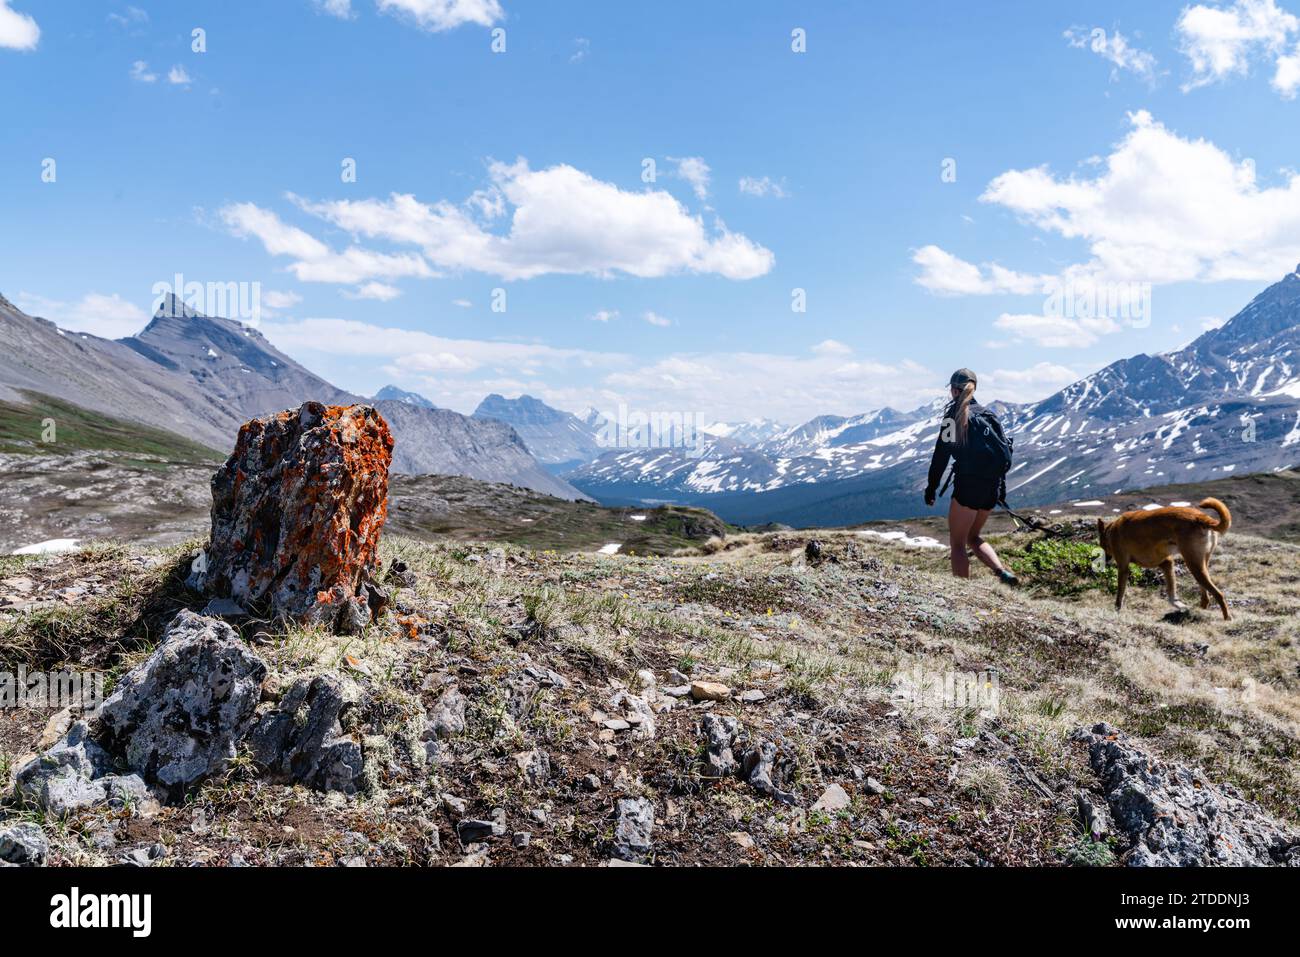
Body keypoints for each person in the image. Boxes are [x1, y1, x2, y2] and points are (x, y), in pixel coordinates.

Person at [924, 369, 1018, 584]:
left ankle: (963, 590)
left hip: (968, 485)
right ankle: (1001, 572)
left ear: (953, 390)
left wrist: (932, 488)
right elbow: (1003, 453)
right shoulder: (989, 414)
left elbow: (941, 455)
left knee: (958, 543)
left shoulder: (952, 418)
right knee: (972, 537)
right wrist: (999, 491)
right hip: (991, 488)